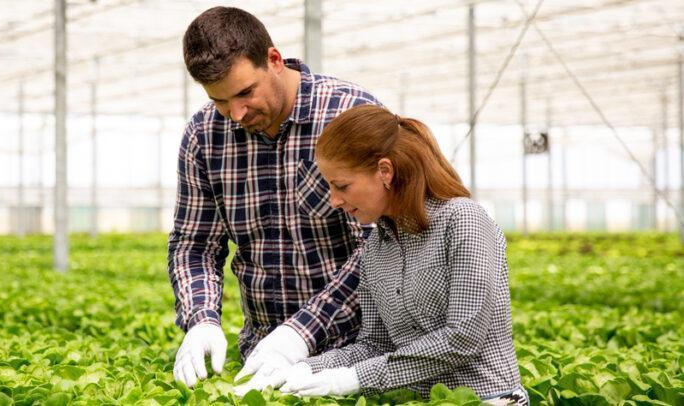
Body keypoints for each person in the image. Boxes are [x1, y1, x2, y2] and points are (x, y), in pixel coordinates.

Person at [167, 6, 383, 393]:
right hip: (260, 360)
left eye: (245, 92)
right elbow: (194, 245)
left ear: (274, 60)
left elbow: (382, 246)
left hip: (359, 356)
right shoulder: (203, 136)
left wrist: (299, 334)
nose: (236, 113)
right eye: (220, 101)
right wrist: (201, 319)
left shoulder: (347, 114)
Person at [276, 105, 528, 405]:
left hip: (489, 398)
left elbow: (462, 338)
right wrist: (304, 367)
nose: (334, 200)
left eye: (342, 185)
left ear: (385, 171)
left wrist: (352, 379)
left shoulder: (463, 220)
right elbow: (374, 344)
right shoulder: (375, 248)